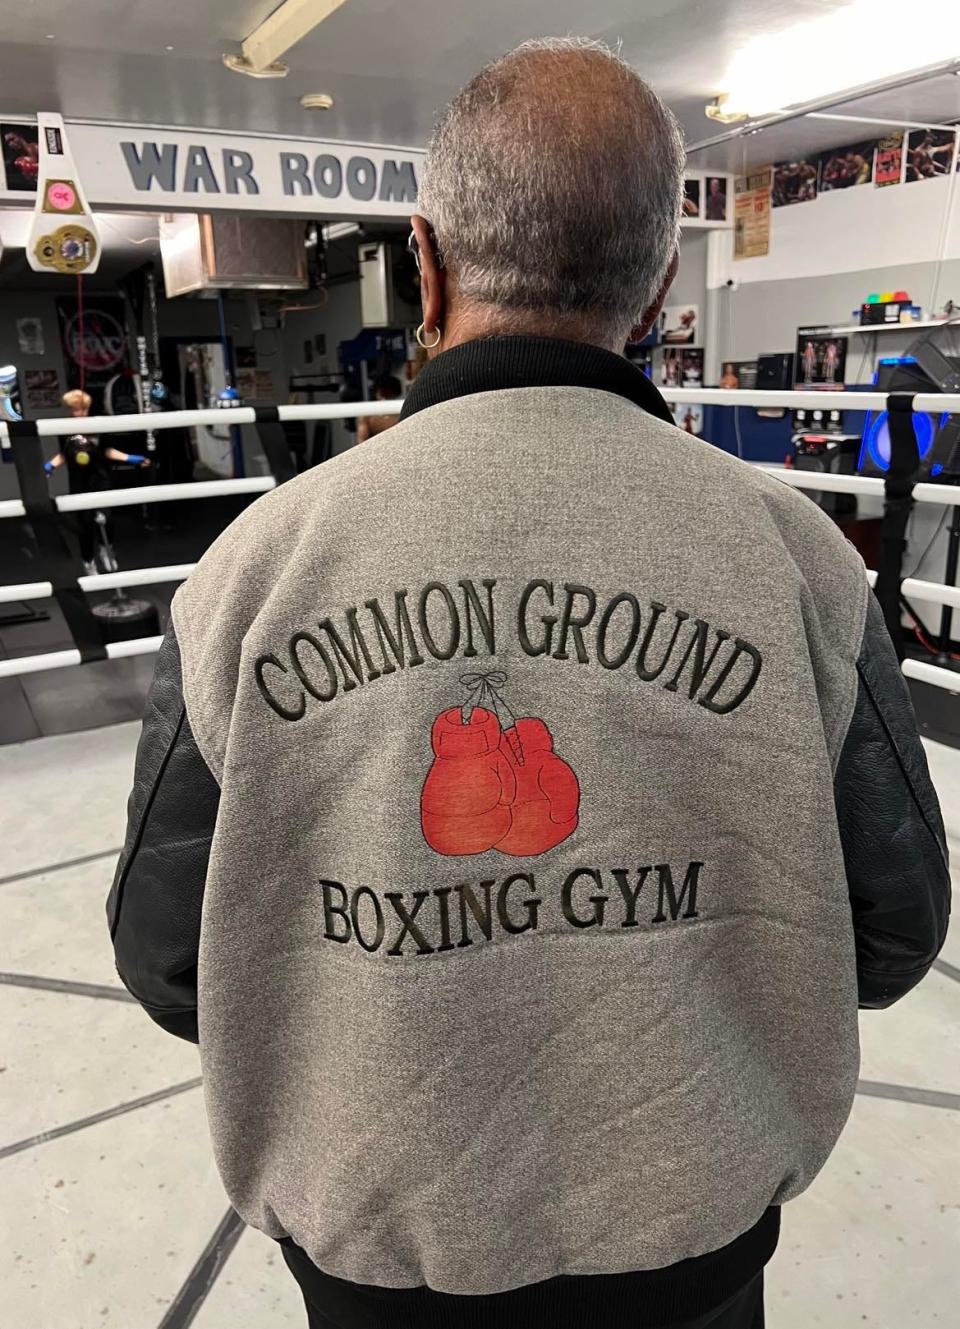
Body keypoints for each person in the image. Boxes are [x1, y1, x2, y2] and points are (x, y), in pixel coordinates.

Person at [107, 37, 950, 1329]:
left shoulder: (252, 575)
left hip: (376, 1265)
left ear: (425, 265)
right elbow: (891, 931)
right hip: (693, 1256)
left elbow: (167, 955)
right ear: (662, 291)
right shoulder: (800, 568)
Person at [45, 388, 150, 573]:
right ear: (70, 410)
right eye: (77, 409)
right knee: (84, 525)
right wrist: (50, 466)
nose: (81, 413)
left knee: (106, 519)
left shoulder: (97, 426)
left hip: (101, 479)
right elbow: (64, 454)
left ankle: (106, 550)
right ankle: (88, 561)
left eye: (84, 409)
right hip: (79, 483)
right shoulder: (63, 430)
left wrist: (130, 458)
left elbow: (107, 451)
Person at [355, 373, 404, 443]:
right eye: (383, 393)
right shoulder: (366, 416)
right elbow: (361, 442)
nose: (385, 398)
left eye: (388, 394)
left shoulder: (401, 411)